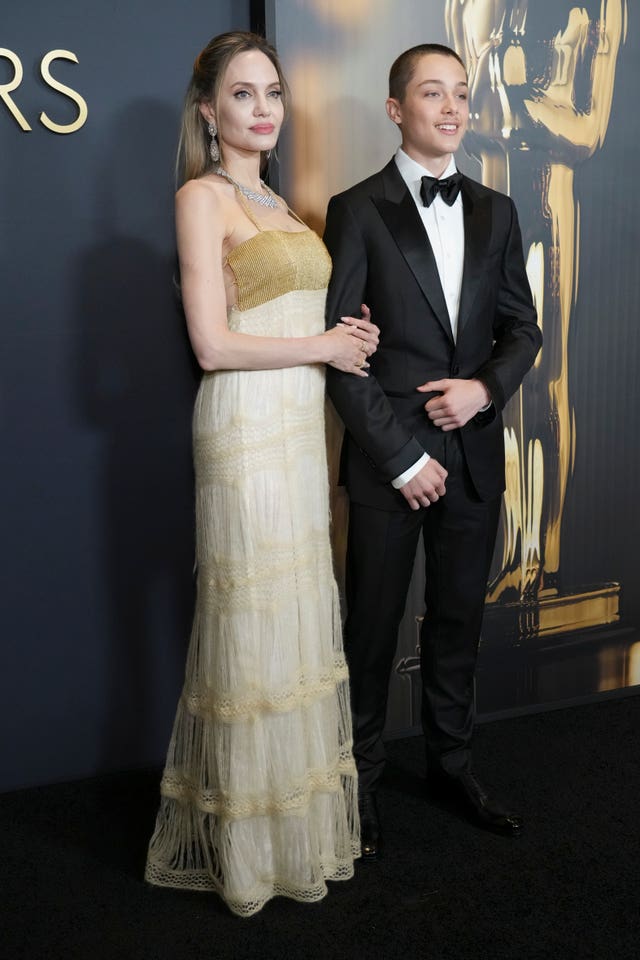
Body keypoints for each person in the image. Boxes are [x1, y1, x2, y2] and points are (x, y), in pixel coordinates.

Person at [145, 31, 379, 917]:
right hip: (244, 426)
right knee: (251, 628)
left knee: (293, 621)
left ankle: (295, 842)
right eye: (243, 94)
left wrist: (343, 339)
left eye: (272, 92)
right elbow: (210, 344)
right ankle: (247, 860)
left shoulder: (281, 205)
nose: (264, 109)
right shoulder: (201, 197)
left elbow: (292, 316)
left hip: (296, 425)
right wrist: (320, 344)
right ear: (208, 110)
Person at [323, 43, 542, 859]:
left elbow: (523, 329)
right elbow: (341, 355)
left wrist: (484, 390)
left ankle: (453, 766)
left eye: (460, 93)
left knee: (457, 625)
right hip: (390, 465)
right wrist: (401, 458)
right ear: (395, 108)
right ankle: (361, 783)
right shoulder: (355, 208)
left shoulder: (496, 209)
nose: (451, 108)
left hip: (477, 453)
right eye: (431, 93)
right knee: (371, 630)